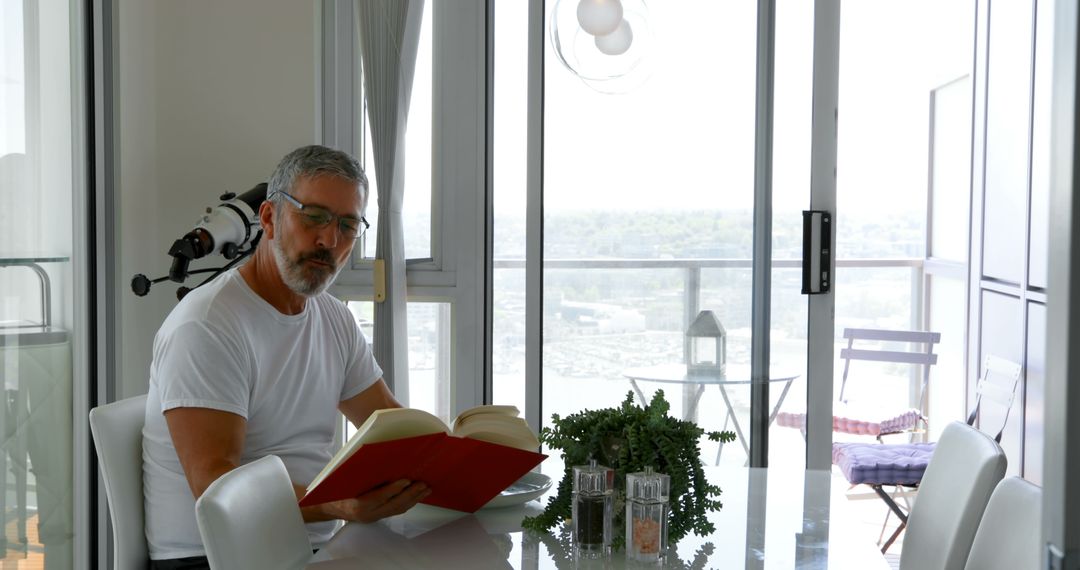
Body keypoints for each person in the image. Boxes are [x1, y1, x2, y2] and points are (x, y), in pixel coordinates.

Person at [141, 145, 429, 569]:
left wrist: (459, 463)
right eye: (313, 217)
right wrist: (340, 505)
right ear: (271, 219)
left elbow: (388, 424)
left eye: (348, 225)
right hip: (212, 556)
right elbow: (217, 485)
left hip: (311, 545)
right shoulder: (206, 327)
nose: (329, 240)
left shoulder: (333, 318)